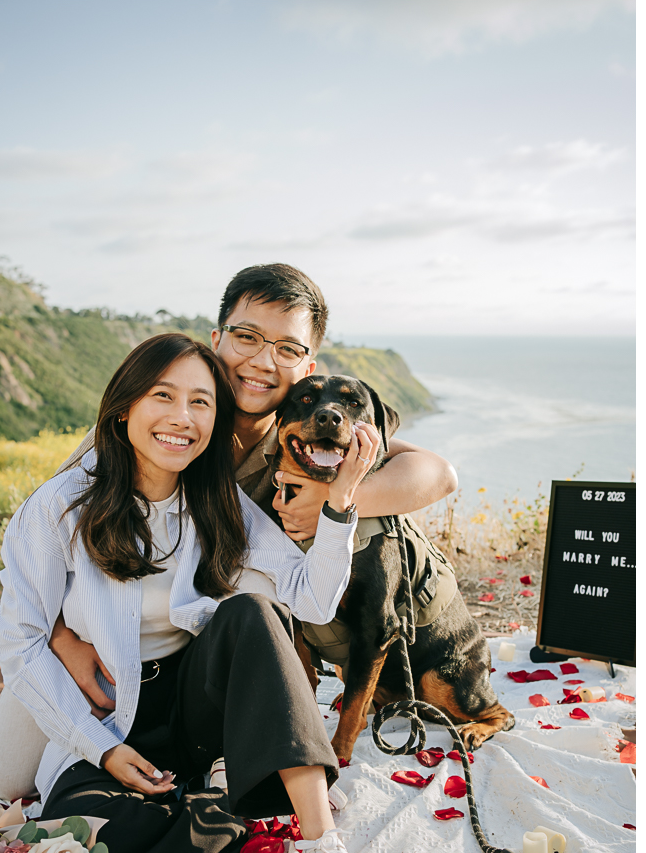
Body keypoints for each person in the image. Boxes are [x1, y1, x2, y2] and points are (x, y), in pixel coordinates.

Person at [0, 332, 382, 853]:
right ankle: (233, 809)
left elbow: (310, 596)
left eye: (201, 402)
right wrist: (102, 749)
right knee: (94, 841)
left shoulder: (216, 498)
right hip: (107, 712)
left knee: (253, 611)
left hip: (194, 704)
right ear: (125, 407)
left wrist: (341, 502)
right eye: (163, 396)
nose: (182, 418)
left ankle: (322, 843)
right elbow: (21, 643)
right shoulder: (59, 508)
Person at [48, 263, 458, 713]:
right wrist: (62, 638)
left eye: (287, 349)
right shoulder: (163, 424)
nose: (262, 362)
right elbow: (41, 532)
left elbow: (439, 473)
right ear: (216, 339)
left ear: (307, 367)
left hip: (275, 627)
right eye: (246, 337)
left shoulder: (302, 433)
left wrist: (333, 498)